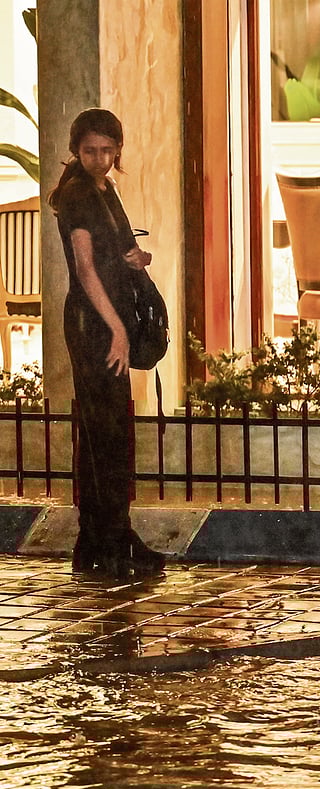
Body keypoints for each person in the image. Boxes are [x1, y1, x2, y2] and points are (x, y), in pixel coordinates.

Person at [47, 107, 166, 579]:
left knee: (112, 428)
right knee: (104, 429)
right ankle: (105, 538)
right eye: (90, 151)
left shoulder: (105, 190)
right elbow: (84, 267)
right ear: (76, 151)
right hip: (93, 321)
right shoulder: (77, 195)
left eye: (107, 151)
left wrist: (141, 258)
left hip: (110, 314)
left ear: (118, 150)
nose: (99, 159)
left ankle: (104, 535)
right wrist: (116, 329)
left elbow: (116, 254)